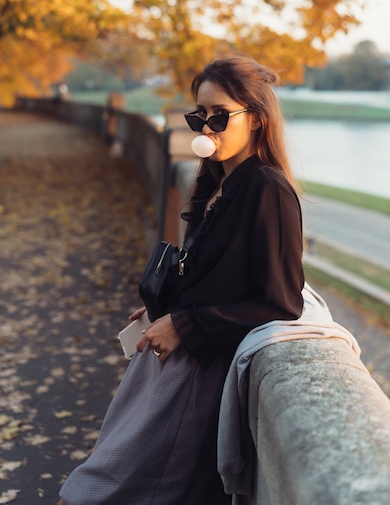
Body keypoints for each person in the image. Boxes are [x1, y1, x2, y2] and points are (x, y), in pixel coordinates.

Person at [58, 55, 305, 505]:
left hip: (195, 376)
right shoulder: (215, 183)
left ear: (256, 118)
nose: (206, 128)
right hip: (162, 366)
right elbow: (210, 274)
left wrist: (186, 324)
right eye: (199, 115)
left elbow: (281, 304)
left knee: (104, 491)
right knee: (98, 478)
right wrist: (166, 305)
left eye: (219, 115)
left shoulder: (267, 190)